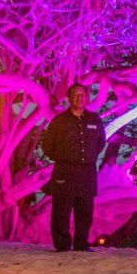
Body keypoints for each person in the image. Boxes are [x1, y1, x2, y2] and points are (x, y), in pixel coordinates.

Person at [41, 83, 106, 252]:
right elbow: (47, 146)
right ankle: (62, 245)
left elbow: (100, 143)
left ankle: (81, 244)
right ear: (69, 98)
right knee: (61, 211)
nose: (80, 98)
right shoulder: (59, 121)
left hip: (87, 172)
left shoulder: (94, 120)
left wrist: (88, 157)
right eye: (76, 95)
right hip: (65, 171)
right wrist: (64, 158)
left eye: (83, 95)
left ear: (88, 97)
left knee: (85, 212)